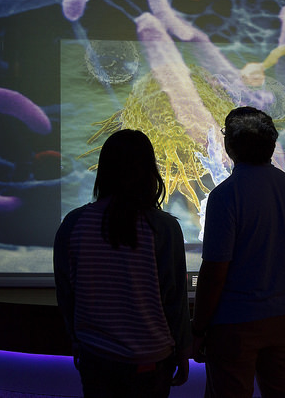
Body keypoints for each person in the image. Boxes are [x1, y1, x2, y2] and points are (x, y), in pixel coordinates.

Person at [53, 129, 191, 397]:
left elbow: (67, 293)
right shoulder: (164, 227)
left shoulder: (74, 224)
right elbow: (174, 299)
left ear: (103, 170)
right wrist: (184, 349)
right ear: (149, 171)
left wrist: (76, 339)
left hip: (95, 354)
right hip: (151, 357)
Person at [191, 106, 285, 398]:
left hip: (235, 321)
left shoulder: (224, 197)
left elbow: (214, 271)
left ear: (229, 145)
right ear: (272, 145)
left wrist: (198, 327)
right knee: (283, 391)